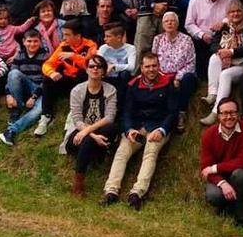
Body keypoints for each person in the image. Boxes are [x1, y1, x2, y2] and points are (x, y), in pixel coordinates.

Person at [101, 52, 177, 209]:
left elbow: (172, 112)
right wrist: (129, 130)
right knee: (122, 152)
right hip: (137, 127)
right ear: (141, 68)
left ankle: (137, 193)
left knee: (150, 153)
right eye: (147, 66)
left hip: (157, 127)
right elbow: (126, 112)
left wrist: (162, 130)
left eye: (154, 66)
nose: (151, 69)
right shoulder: (133, 85)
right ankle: (111, 191)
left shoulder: (167, 84)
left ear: (159, 66)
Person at [60, 54, 118, 196]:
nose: (95, 69)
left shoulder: (111, 90)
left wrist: (90, 132)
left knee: (112, 127)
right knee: (87, 140)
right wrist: (91, 135)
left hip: (98, 131)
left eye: (99, 67)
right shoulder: (77, 91)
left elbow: (110, 117)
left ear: (104, 71)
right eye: (91, 66)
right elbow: (77, 120)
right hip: (78, 133)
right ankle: (78, 182)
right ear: (86, 69)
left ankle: (97, 154)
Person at [35, 19, 98, 137]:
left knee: (84, 73)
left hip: (82, 83)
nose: (64, 38)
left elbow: (92, 65)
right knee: (48, 79)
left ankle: (73, 113)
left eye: (67, 35)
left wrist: (74, 56)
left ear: (78, 36)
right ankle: (46, 116)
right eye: (63, 34)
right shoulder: (63, 46)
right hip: (67, 82)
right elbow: (47, 64)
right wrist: (52, 73)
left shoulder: (90, 46)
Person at [200, 0, 243, 125]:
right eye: (232, 12)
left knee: (225, 75)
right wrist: (221, 52)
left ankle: (216, 112)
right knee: (214, 58)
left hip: (242, 65)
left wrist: (230, 52)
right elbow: (213, 44)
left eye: (238, 11)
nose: (235, 14)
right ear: (228, 14)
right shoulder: (224, 26)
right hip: (225, 60)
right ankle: (212, 94)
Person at [200, 97, 243, 226]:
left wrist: (215, 168)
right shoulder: (208, 134)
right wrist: (222, 183)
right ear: (218, 116)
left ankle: (241, 217)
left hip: (239, 174)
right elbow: (205, 168)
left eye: (232, 112)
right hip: (219, 178)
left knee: (239, 175)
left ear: (238, 114)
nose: (229, 117)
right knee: (213, 196)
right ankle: (228, 205)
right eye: (224, 113)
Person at [0, 29, 50, 146]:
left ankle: (11, 130)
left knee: (39, 110)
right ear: (23, 42)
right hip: (24, 85)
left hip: (39, 89)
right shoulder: (19, 55)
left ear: (40, 42)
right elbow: (11, 77)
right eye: (29, 41)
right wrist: (8, 94)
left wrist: (34, 97)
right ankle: (18, 107)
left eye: (35, 41)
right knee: (14, 73)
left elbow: (46, 81)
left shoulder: (45, 56)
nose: (32, 44)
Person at [152, 12, 197, 131]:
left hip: (181, 76)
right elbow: (153, 61)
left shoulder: (186, 40)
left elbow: (191, 64)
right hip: (162, 75)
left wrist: (177, 77)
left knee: (188, 78)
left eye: (172, 21)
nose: (169, 23)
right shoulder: (157, 39)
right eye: (166, 21)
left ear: (177, 24)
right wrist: (163, 77)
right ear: (163, 25)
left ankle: (181, 113)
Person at [185, 0, 232, 80]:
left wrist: (223, 22)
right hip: (202, 40)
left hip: (223, 38)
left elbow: (232, 16)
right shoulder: (195, 0)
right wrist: (202, 35)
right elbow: (189, 24)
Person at [97, 22, 136, 113]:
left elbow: (131, 66)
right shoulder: (103, 48)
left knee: (125, 73)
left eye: (108, 36)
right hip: (107, 77)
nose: (105, 39)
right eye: (105, 36)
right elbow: (98, 63)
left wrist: (114, 66)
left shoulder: (130, 48)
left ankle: (120, 105)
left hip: (121, 79)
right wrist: (106, 69)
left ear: (118, 38)